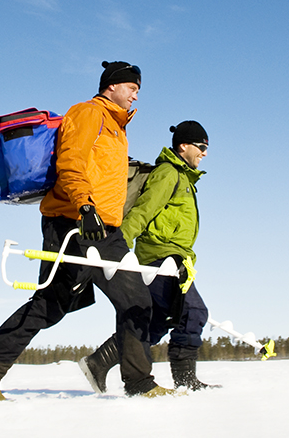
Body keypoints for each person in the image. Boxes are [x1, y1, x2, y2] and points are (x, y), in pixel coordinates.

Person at [0, 61, 178, 401]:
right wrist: (85, 206)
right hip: (75, 221)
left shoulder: (117, 128)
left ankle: (140, 383)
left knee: (135, 299)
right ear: (111, 86)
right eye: (131, 87)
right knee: (49, 305)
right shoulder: (88, 113)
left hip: (106, 229)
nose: (136, 94)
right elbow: (70, 161)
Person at [79, 120, 217, 393]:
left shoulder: (184, 178)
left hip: (172, 258)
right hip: (160, 258)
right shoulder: (168, 174)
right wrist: (117, 248)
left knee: (155, 321)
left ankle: (99, 361)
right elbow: (143, 211)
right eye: (201, 146)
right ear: (183, 146)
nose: (204, 152)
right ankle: (185, 380)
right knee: (194, 312)